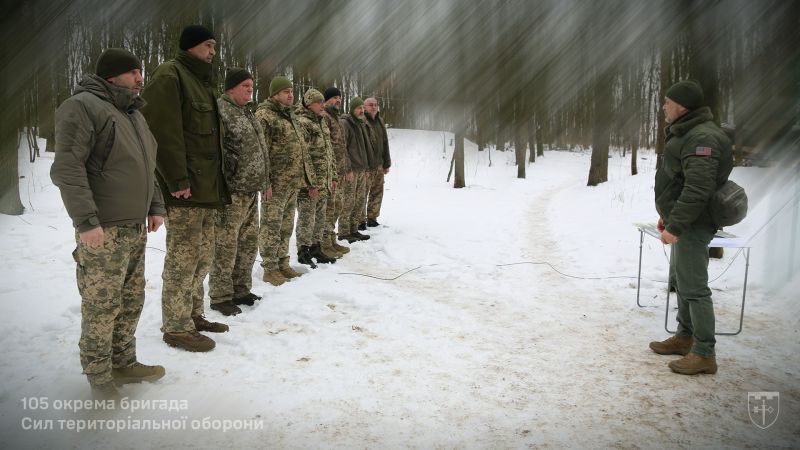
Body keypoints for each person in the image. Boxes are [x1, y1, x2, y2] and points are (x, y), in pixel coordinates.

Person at [51, 48, 166, 399]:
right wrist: (86, 221)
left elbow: (148, 165)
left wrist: (156, 204)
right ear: (112, 76)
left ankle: (124, 361)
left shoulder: (132, 114)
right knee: (102, 304)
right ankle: (99, 375)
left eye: (140, 72)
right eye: (133, 72)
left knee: (131, 300)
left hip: (134, 226)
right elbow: (68, 168)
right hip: (103, 229)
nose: (139, 78)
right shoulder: (83, 106)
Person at [141, 25, 231, 352]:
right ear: (191, 46)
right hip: (185, 191)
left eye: (214, 46)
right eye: (208, 45)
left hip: (206, 189)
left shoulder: (202, 82)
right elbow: (162, 132)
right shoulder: (171, 76)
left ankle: (194, 315)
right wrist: (176, 179)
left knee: (202, 257)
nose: (213, 51)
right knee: (183, 259)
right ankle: (176, 327)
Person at [649, 79, 733, 375]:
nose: (663, 107)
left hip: (695, 224)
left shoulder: (702, 138)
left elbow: (698, 189)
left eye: (667, 103)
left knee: (694, 288)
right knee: (683, 282)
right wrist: (670, 217)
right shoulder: (690, 132)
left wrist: (678, 224)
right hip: (685, 222)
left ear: (682, 106)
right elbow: (680, 181)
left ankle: (704, 353)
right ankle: (685, 337)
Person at [208, 68, 269, 316]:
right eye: (245, 86)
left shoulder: (247, 112)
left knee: (247, 242)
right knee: (225, 244)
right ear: (231, 87)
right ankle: (221, 296)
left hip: (251, 190)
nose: (250, 91)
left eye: (251, 87)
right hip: (231, 192)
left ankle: (240, 289)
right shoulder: (221, 111)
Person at [255, 76, 315, 285]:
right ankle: (269, 267)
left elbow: (302, 150)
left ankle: (282, 262)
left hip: (292, 183)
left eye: (291, 91)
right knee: (271, 226)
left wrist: (307, 178)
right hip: (275, 185)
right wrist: (265, 182)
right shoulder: (265, 116)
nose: (290, 95)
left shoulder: (291, 117)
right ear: (274, 95)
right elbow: (260, 153)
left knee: (286, 225)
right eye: (285, 92)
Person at [294, 88, 338, 265]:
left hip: (324, 180)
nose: (322, 105)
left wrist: (333, 176)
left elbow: (329, 153)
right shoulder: (303, 123)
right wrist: (310, 183)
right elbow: (303, 156)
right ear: (309, 104)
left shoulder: (321, 122)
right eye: (319, 102)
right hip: (310, 183)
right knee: (307, 216)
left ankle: (315, 247)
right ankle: (303, 250)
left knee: (319, 216)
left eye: (322, 102)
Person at [320, 87, 352, 257]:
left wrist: (346, 168)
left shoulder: (337, 119)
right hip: (329, 173)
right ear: (326, 100)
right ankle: (324, 243)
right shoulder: (324, 117)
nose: (338, 100)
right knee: (329, 208)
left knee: (337, 206)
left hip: (339, 172)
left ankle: (331, 239)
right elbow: (326, 147)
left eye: (339, 97)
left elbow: (342, 148)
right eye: (334, 98)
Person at [339, 97, 373, 243]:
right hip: (351, 170)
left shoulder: (361, 124)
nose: (361, 110)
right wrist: (347, 169)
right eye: (358, 108)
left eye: (362, 108)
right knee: (348, 201)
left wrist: (366, 167)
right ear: (352, 109)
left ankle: (354, 230)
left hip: (361, 169)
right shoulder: (345, 124)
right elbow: (342, 148)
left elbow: (364, 148)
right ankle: (344, 231)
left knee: (359, 201)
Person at [363, 96, 392, 228]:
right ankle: (359, 220)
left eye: (375, 104)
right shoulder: (361, 121)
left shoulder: (380, 121)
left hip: (379, 165)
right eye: (370, 105)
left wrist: (387, 163)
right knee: (362, 194)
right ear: (364, 107)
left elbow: (385, 143)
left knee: (377, 192)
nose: (374, 107)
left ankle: (372, 218)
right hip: (366, 166)